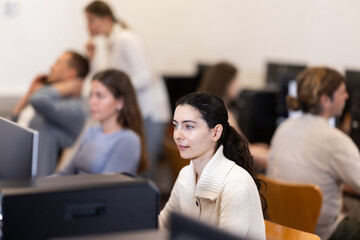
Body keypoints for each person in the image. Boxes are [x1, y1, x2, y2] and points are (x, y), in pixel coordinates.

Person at [268, 67, 360, 240]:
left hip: (283, 230)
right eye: (342, 92)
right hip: (321, 233)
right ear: (325, 100)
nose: (347, 96)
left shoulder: (284, 128)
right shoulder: (334, 140)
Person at [159, 92, 265, 239]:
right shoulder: (186, 174)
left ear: (216, 133)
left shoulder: (236, 185)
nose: (178, 135)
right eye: (176, 126)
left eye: (189, 126)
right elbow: (162, 226)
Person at [84, 0, 171, 179]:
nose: (88, 26)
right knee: (134, 166)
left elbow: (146, 76)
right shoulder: (109, 43)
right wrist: (91, 59)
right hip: (134, 111)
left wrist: (116, 91)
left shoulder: (126, 38)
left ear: (106, 18)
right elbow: (104, 79)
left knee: (145, 167)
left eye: (91, 20)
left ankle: (148, 207)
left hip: (149, 112)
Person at [56, 69, 148, 176]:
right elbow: (67, 172)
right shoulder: (91, 132)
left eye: (100, 96)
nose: (92, 102)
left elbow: (108, 188)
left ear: (120, 102)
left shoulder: (128, 140)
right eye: (91, 95)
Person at [12, 51, 89, 176]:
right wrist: (28, 93)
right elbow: (14, 121)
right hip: (15, 165)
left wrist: (67, 87)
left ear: (71, 73)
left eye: (57, 63)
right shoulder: (52, 98)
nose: (52, 67)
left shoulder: (75, 108)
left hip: (32, 179)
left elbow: (37, 100)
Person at [198, 62, 269, 169]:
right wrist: (272, 156)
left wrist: (257, 148)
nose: (238, 85)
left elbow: (241, 145)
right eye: (236, 81)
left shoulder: (200, 108)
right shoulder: (223, 114)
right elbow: (242, 151)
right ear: (226, 83)